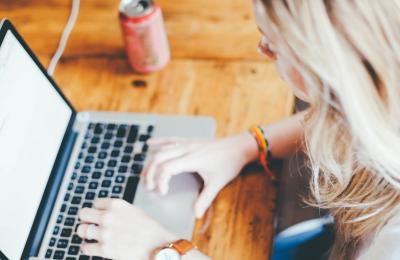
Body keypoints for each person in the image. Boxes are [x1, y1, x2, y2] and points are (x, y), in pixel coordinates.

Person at [76, 0, 400, 259]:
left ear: (324, 72)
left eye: (274, 45)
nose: (262, 50)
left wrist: (160, 249)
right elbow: (347, 115)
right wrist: (248, 145)